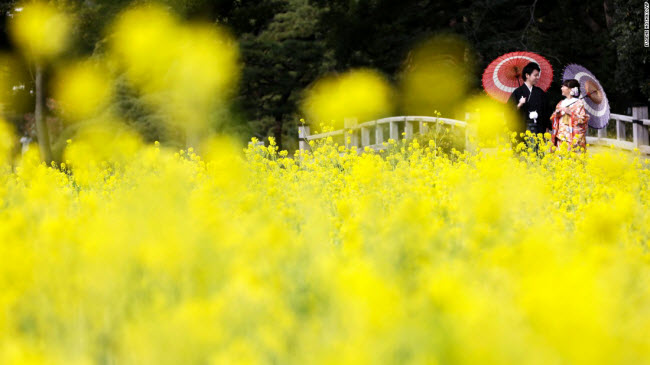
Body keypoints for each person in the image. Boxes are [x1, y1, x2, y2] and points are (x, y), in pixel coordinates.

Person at [507, 62, 551, 137]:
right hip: (522, 128)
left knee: (537, 147)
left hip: (538, 127)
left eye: (538, 75)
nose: (537, 77)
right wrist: (519, 104)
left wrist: (547, 127)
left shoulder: (540, 92)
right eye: (535, 75)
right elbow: (508, 111)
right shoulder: (517, 92)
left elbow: (546, 111)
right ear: (527, 75)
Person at [550, 79, 590, 151]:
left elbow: (582, 120)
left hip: (572, 137)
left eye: (563, 86)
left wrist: (570, 113)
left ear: (570, 89)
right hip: (560, 136)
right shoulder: (561, 103)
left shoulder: (578, 103)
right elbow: (553, 118)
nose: (561, 88)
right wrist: (557, 115)